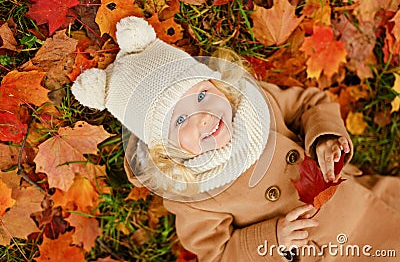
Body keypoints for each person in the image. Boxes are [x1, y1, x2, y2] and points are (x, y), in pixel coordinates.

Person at [72, 16, 400, 261]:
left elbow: (308, 105)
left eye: (201, 95)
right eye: (180, 120)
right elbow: (218, 254)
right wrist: (274, 238)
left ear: (215, 84)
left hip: (356, 201)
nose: (204, 116)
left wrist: (324, 138)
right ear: (166, 149)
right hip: (319, 251)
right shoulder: (194, 195)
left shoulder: (253, 106)